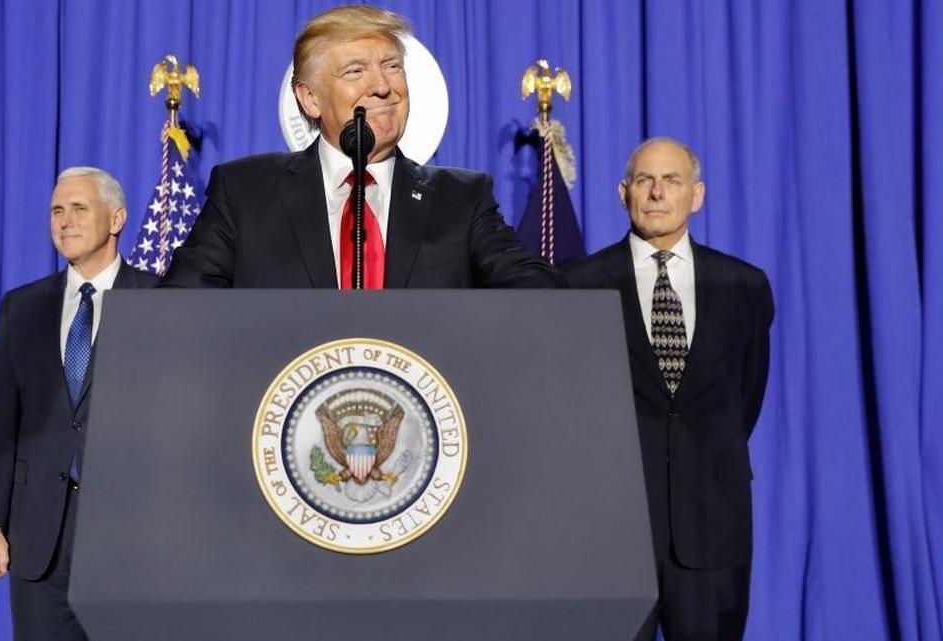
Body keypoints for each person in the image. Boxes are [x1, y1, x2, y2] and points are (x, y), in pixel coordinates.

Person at [159, 4, 554, 289]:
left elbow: (539, 294)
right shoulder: (245, 192)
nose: (383, 86)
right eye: (355, 71)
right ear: (310, 99)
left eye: (392, 66)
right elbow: (179, 310)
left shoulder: (461, 199)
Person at [559, 138, 774, 641]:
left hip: (712, 530)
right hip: (611, 536)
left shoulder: (743, 287)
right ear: (624, 194)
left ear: (696, 196)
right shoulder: (575, 285)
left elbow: (746, 398)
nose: (657, 193)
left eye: (672, 181)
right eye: (645, 180)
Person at [0, 167, 158, 640]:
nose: (64, 221)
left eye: (78, 208)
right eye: (56, 210)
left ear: (116, 219)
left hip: (132, 539)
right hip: (38, 538)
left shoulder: (161, 300)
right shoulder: (21, 307)